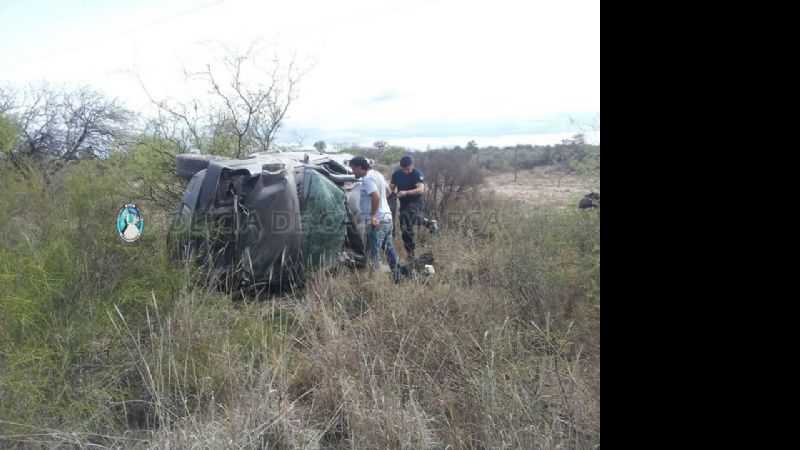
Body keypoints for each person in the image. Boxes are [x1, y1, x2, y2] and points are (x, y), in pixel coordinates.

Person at [349, 156, 399, 276]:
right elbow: (388, 191)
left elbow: (375, 196)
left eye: (353, 169)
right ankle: (398, 274)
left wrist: (372, 216)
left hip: (377, 221)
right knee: (389, 248)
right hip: (387, 217)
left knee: (373, 253)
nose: (352, 172)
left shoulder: (367, 179)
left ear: (360, 168)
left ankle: (375, 281)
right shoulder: (377, 174)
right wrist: (382, 206)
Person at [389, 155, 438, 259]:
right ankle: (410, 254)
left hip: (415, 202)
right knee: (405, 230)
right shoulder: (396, 175)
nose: (407, 171)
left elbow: (420, 190)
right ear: (401, 167)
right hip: (403, 205)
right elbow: (391, 189)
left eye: (408, 169)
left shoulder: (417, 174)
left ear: (412, 165)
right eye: (404, 169)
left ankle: (429, 223)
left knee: (407, 215)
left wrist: (406, 192)